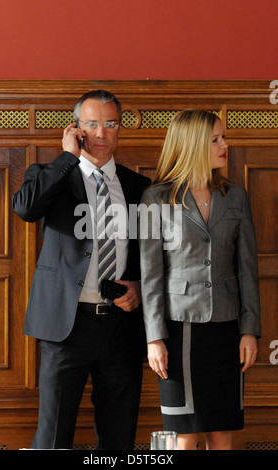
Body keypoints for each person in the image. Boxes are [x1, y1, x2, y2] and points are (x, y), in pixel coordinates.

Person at [12, 90, 151, 450]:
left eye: (110, 124)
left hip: (121, 327)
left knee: (119, 437)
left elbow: (149, 254)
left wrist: (138, 286)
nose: (101, 134)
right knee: (53, 437)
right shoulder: (50, 174)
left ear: (120, 130)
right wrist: (67, 157)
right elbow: (25, 209)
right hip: (65, 325)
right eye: (92, 124)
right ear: (75, 129)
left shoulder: (139, 187)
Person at [138, 109, 261, 450]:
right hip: (178, 333)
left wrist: (249, 330)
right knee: (184, 435)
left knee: (221, 432)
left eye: (223, 137)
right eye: (216, 139)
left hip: (226, 329)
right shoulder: (155, 198)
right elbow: (150, 276)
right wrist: (154, 339)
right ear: (192, 145)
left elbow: (248, 269)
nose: (226, 144)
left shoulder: (235, 196)